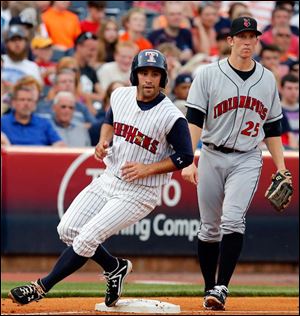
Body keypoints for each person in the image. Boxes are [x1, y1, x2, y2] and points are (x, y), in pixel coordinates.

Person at [8, 49, 194, 307]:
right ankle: (114, 267)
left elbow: (185, 156)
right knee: (68, 229)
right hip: (110, 177)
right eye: (144, 72)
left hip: (140, 191)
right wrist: (103, 140)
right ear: (135, 74)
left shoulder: (172, 117)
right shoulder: (120, 95)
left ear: (163, 78)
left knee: (87, 238)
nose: (149, 79)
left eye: (155, 74)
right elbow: (109, 120)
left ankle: (40, 287)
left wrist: (147, 169)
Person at [181, 17, 291, 311]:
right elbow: (194, 120)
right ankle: (208, 288)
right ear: (229, 40)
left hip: (246, 157)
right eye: (240, 36)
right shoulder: (207, 74)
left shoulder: (267, 79)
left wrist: (281, 166)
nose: (246, 41)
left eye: (251, 36)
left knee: (232, 220)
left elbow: (272, 128)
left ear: (257, 40)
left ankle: (222, 286)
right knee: (208, 229)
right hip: (212, 154)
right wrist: (189, 159)